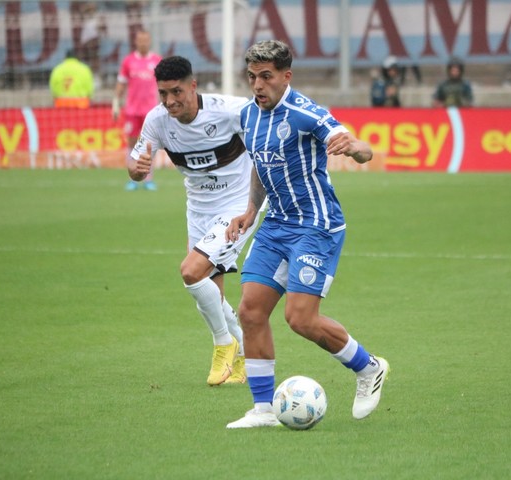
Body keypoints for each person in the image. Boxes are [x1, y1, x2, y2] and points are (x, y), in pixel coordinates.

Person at [224, 40, 389, 429]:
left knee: (300, 319)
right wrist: (250, 210)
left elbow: (363, 149)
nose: (257, 85)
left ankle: (369, 369)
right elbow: (261, 166)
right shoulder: (248, 116)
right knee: (250, 311)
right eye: (252, 77)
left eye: (266, 76)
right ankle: (263, 409)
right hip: (276, 224)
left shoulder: (307, 113)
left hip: (315, 226)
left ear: (286, 76)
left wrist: (354, 148)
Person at [127, 55, 256, 386]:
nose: (170, 101)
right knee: (208, 292)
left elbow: (267, 130)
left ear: (193, 86)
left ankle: (223, 344)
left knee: (190, 271)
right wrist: (136, 170)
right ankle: (245, 354)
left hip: (237, 208)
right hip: (198, 210)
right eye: (163, 94)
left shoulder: (230, 110)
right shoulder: (157, 120)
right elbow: (135, 161)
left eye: (177, 92)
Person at [114, 29, 161, 191]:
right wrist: (115, 102)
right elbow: (121, 83)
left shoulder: (156, 60)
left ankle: (148, 179)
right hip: (132, 110)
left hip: (151, 111)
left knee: (149, 145)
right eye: (140, 40)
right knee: (132, 143)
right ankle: (132, 179)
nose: (143, 43)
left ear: (150, 41)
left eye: (145, 40)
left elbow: (164, 85)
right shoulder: (128, 61)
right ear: (136, 41)